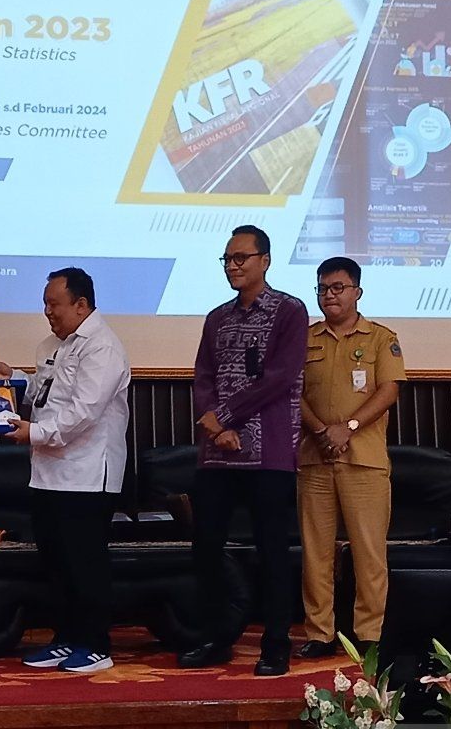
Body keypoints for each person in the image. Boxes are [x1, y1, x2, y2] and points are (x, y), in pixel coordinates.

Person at [178, 225, 308, 677]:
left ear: (265, 261)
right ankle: (215, 639)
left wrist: (226, 416)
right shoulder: (217, 317)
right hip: (217, 454)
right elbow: (203, 376)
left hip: (269, 452)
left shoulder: (290, 311)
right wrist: (216, 425)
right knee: (206, 547)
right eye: (227, 259)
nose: (233, 266)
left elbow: (280, 378)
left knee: (272, 551)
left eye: (241, 258)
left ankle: (276, 644)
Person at [0, 267, 131, 674]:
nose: (48, 312)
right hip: (49, 472)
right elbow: (43, 393)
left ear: (81, 304)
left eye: (55, 304)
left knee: (85, 563)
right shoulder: (54, 345)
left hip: (87, 474)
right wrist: (14, 380)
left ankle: (96, 645)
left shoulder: (102, 347)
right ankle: (66, 638)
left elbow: (83, 412)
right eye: (45, 304)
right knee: (56, 561)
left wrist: (33, 432)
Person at [296, 257, 405, 659]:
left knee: (369, 552)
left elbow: (388, 390)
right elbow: (294, 392)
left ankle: (369, 633)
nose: (329, 295)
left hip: (364, 461)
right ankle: (319, 632)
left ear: (357, 291)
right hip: (315, 458)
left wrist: (349, 427)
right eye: (323, 288)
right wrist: (322, 431)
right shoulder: (304, 339)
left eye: (338, 287)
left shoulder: (380, 338)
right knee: (316, 553)